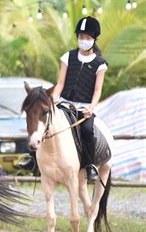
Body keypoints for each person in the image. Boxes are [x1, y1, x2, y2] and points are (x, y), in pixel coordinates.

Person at [18, 16, 107, 183]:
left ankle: (89, 165)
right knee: (43, 121)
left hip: (85, 108)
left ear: (94, 39)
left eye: (88, 38)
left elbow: (97, 90)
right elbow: (60, 83)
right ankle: (33, 158)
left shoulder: (100, 64)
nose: (84, 40)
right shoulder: (68, 57)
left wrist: (92, 108)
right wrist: (51, 99)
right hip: (65, 103)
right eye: (81, 37)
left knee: (88, 130)